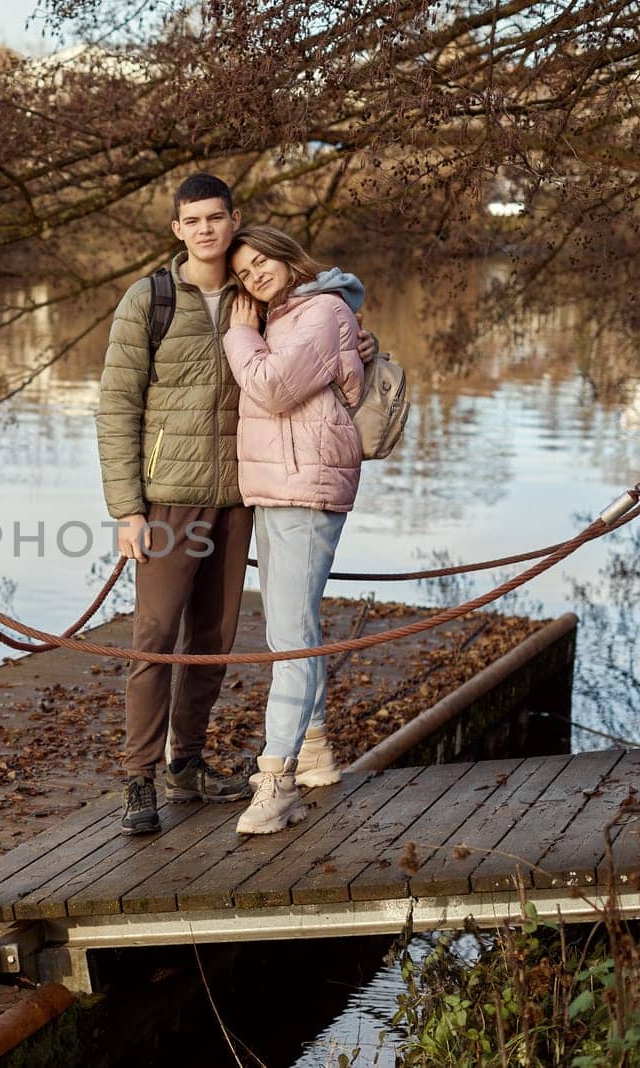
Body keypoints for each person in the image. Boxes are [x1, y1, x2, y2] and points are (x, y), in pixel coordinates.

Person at [96, 174, 256, 835]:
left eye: (216, 218)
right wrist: (126, 510)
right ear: (178, 229)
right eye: (193, 221)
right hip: (168, 503)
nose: (206, 230)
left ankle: (185, 764)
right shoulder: (151, 299)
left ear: (232, 218)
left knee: (213, 641)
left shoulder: (258, 292)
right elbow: (116, 405)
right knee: (154, 640)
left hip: (239, 497)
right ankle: (138, 778)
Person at [221, 225, 369, 835]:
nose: (255, 275)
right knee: (294, 628)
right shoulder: (288, 316)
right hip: (282, 485)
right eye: (244, 271)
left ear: (287, 256)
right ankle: (313, 751)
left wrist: (237, 330)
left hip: (305, 488)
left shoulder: (323, 309)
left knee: (291, 641)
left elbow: (273, 388)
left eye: (262, 262)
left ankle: (276, 780)